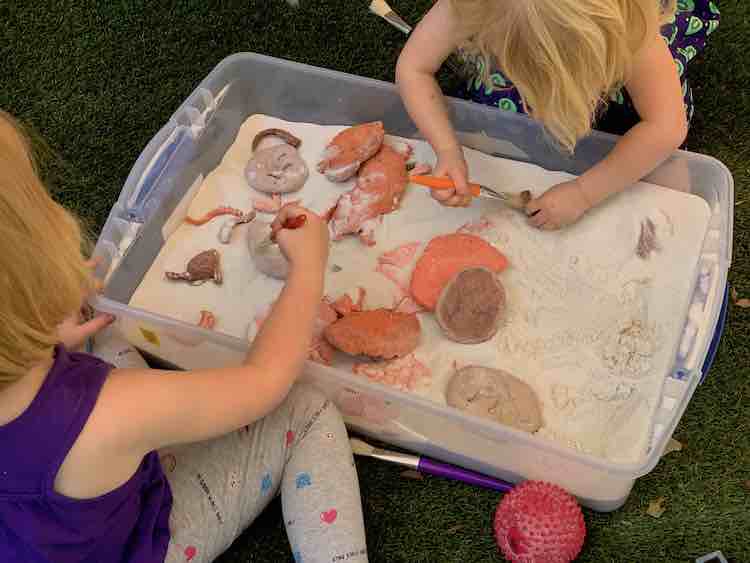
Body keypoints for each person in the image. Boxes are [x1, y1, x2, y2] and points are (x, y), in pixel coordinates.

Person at [0, 110, 368, 563]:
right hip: (142, 543)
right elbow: (264, 382)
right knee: (306, 409)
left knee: (105, 332)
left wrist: (35, 338)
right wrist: (308, 271)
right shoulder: (110, 410)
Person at [396, 0, 720, 230]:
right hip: (523, 87)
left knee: (667, 184)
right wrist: (447, 150)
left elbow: (665, 126)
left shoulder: (629, 31)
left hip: (620, 99)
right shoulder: (473, 5)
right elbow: (414, 68)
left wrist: (584, 193)